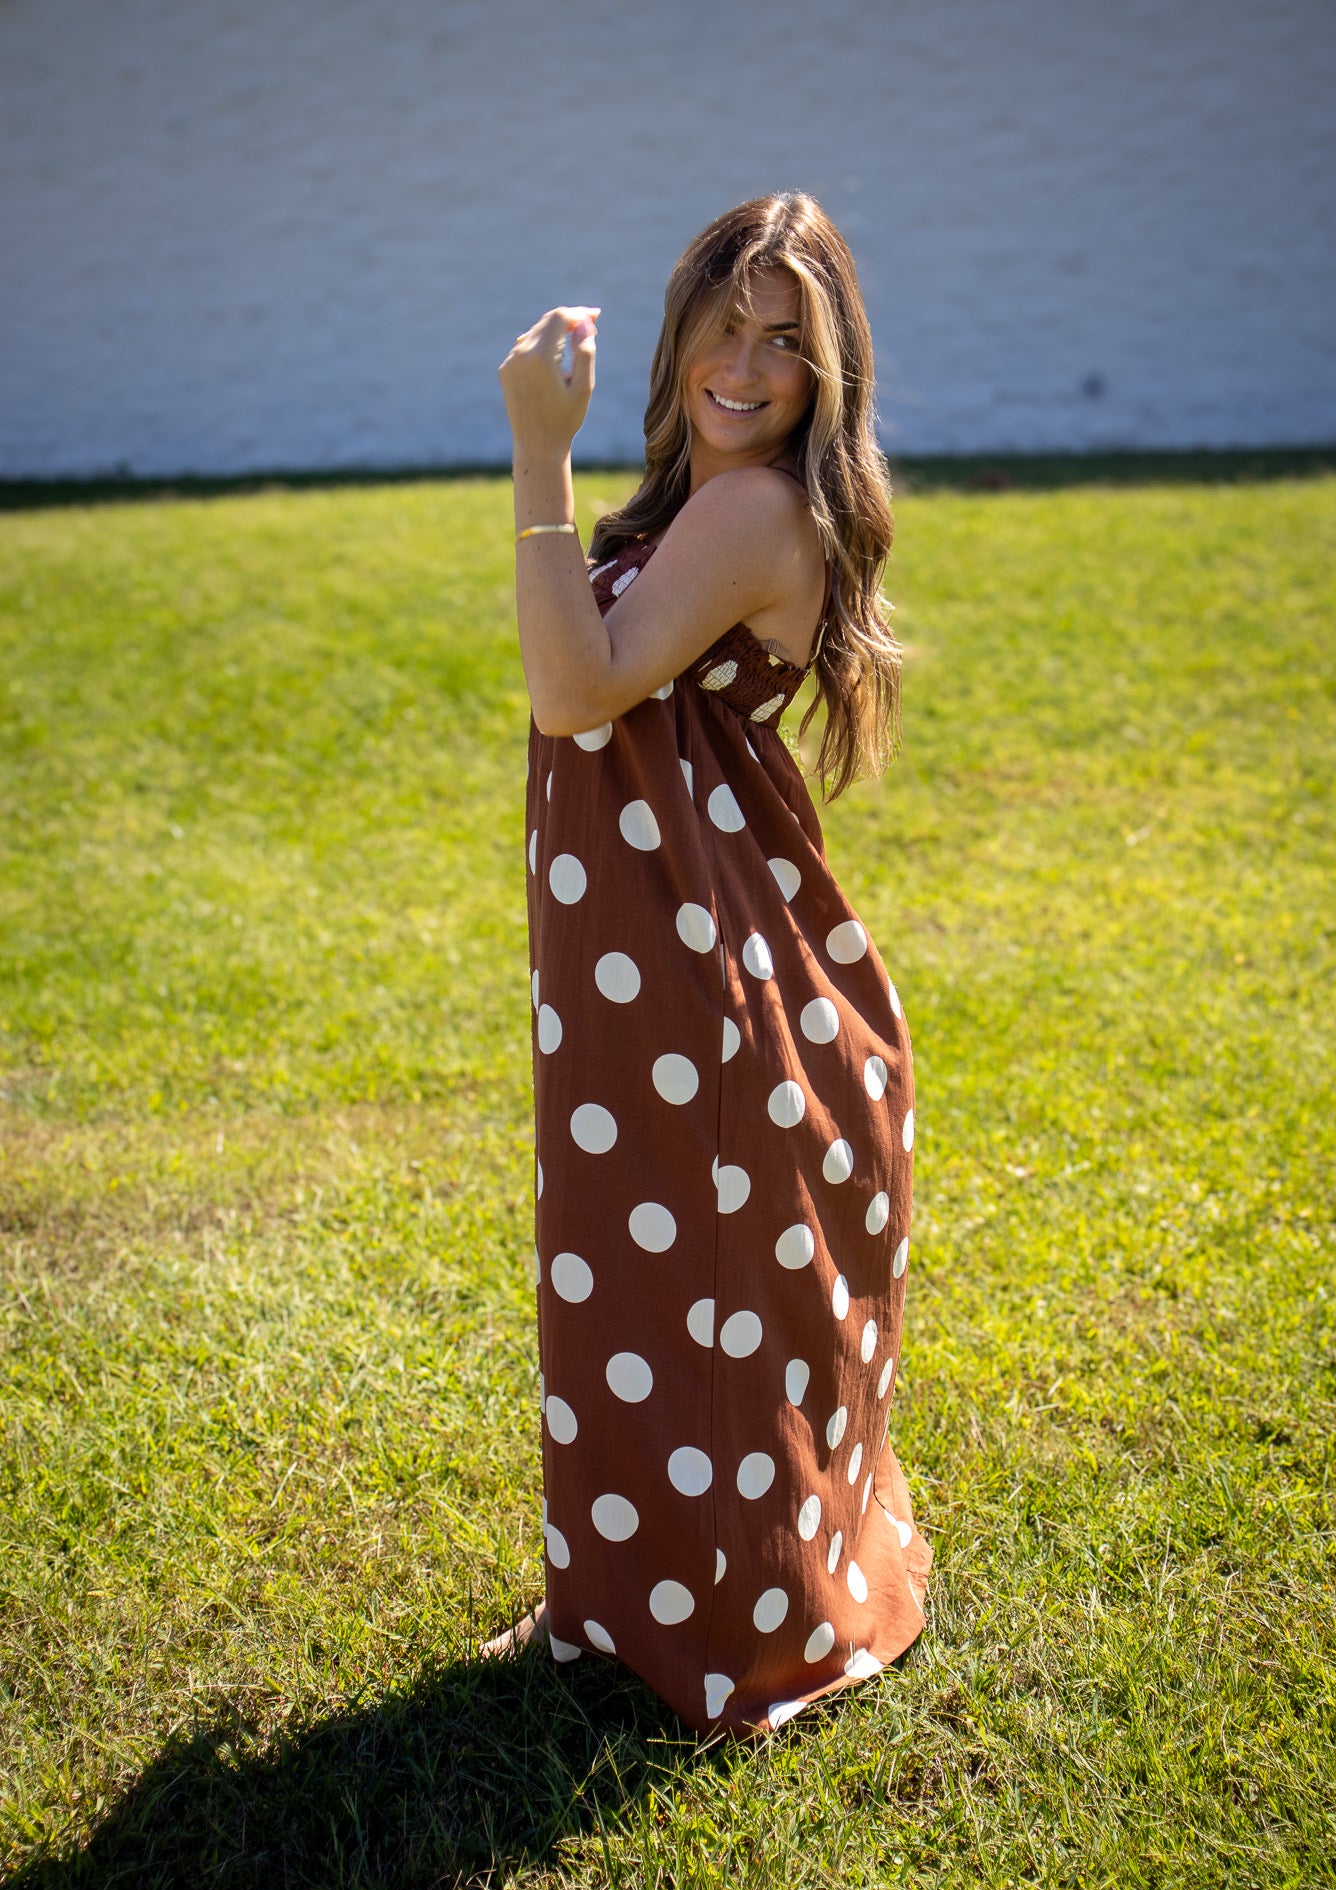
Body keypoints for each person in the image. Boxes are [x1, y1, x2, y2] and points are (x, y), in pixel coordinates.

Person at [485, 192, 932, 1736]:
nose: (745, 365)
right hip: (661, 959)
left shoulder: (750, 513)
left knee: (684, 1305)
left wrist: (539, 453)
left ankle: (714, 1627)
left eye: (785, 344)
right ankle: (616, 1604)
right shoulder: (715, 497)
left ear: (828, 375)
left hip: (697, 983)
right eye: (727, 326)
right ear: (681, 325)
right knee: (633, 1298)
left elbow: (576, 686)